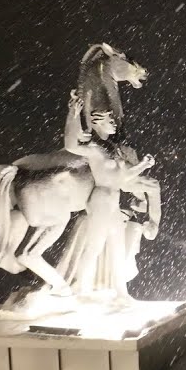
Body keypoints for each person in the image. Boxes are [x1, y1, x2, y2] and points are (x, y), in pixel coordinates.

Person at [58, 90, 154, 295]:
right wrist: (73, 114)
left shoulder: (114, 151)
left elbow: (123, 178)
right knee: (94, 247)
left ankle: (122, 294)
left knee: (118, 250)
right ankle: (82, 290)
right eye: (110, 121)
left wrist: (143, 166)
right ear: (99, 123)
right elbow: (70, 144)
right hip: (100, 200)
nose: (114, 124)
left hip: (113, 202)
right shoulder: (94, 149)